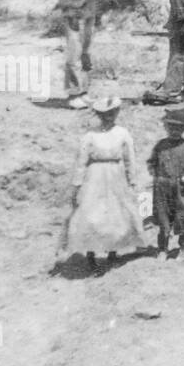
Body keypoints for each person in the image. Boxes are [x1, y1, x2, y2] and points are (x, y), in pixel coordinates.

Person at [59, 93, 149, 271]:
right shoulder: (90, 136)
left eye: (112, 113)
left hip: (116, 175)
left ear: (117, 113)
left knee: (116, 214)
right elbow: (81, 162)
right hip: (95, 177)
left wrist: (132, 180)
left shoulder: (122, 133)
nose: (109, 117)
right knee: (93, 214)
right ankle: (91, 254)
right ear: (99, 116)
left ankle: (113, 253)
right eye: (104, 114)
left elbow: (130, 159)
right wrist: (77, 184)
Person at [147, 110, 184, 261]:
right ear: (165, 127)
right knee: (163, 218)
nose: (174, 131)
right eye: (171, 127)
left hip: (182, 189)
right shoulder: (160, 145)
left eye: (178, 128)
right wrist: (156, 176)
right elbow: (151, 162)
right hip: (163, 188)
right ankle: (162, 249)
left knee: (183, 217)